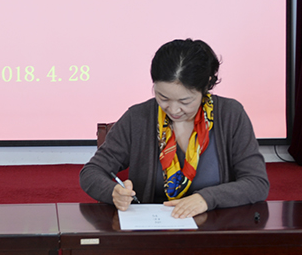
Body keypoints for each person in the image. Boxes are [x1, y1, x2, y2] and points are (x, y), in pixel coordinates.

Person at [80, 39, 269, 218]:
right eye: (163, 98)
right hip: (152, 229)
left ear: (205, 87)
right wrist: (113, 192)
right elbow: (91, 172)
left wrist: (207, 199)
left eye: (185, 101)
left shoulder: (230, 115)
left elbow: (257, 182)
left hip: (215, 227)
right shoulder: (138, 117)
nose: (173, 109)